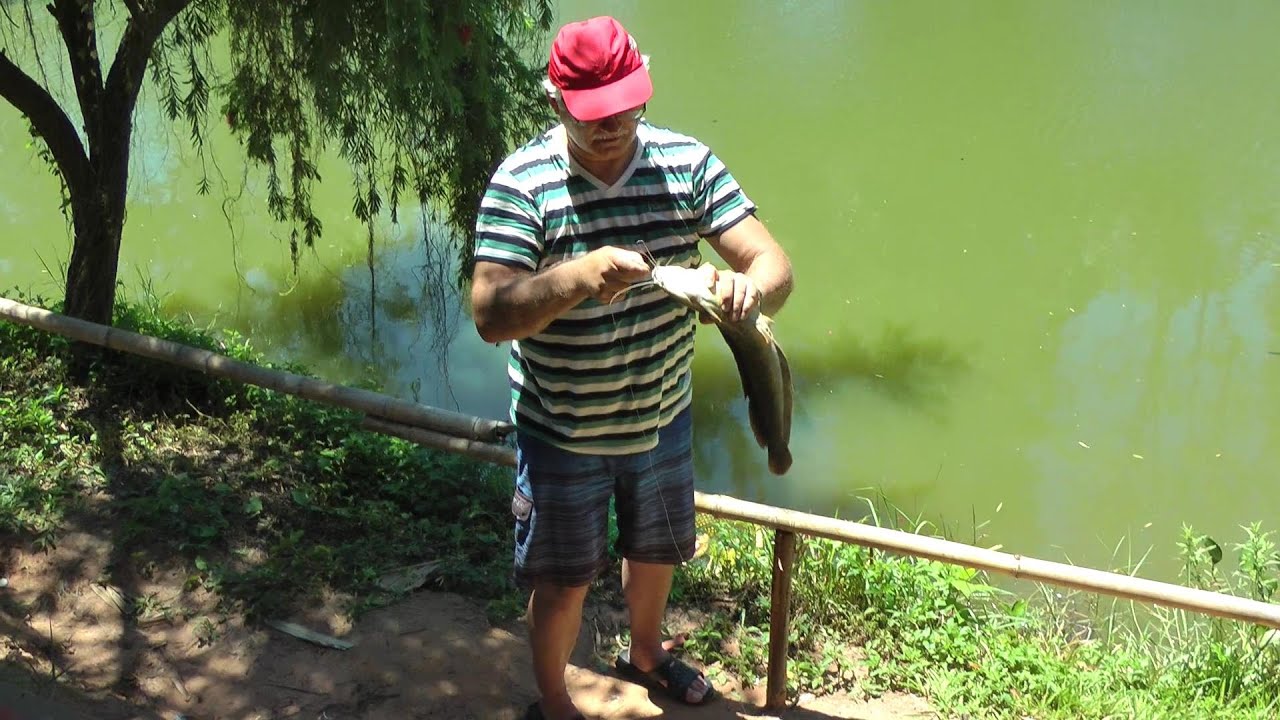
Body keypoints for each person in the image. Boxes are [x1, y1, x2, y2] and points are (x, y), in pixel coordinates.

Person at [469, 15, 793, 720]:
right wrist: (579, 276)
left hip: (661, 418)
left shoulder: (686, 163)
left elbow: (773, 263)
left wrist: (751, 289)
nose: (613, 124)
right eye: (593, 115)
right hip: (563, 431)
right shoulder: (522, 184)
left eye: (625, 106)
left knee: (657, 554)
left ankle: (645, 654)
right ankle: (554, 699)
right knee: (562, 582)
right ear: (554, 100)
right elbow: (491, 313)